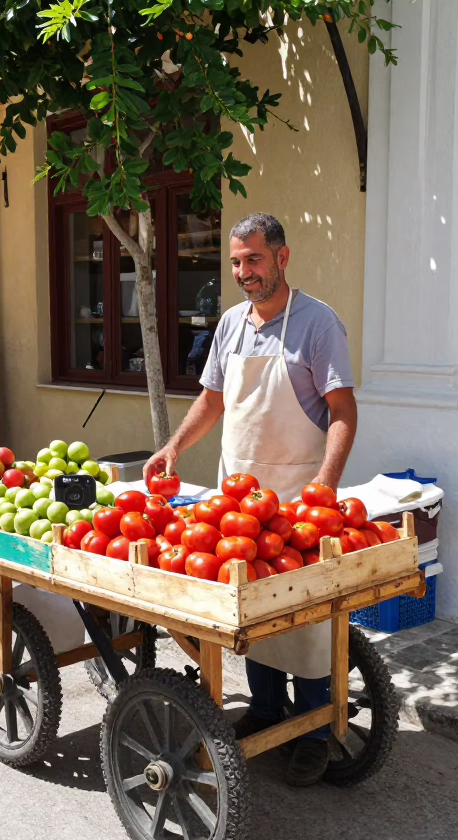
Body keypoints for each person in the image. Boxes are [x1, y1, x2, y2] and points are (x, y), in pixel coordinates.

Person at [143, 212, 357, 786]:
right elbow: (211, 401)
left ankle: (313, 729)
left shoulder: (318, 323)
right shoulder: (231, 325)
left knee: (304, 619)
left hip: (295, 501)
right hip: (236, 501)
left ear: (282, 257)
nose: (244, 272)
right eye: (236, 262)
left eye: (254, 259)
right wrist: (173, 447)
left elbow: (342, 413)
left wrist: (327, 488)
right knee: (249, 613)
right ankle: (264, 709)